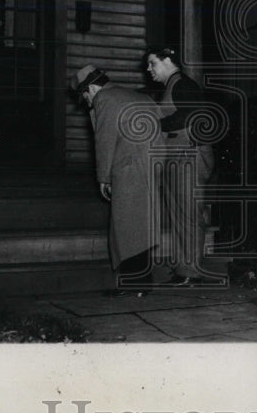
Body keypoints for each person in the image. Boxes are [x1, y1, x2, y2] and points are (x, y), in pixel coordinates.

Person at [73, 64, 160, 293]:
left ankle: (134, 286)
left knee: (126, 229)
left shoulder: (104, 98)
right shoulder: (136, 95)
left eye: (85, 97)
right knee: (140, 227)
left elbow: (105, 141)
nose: (87, 103)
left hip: (128, 169)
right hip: (151, 167)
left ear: (90, 88)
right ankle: (141, 283)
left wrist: (104, 177)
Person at [145, 45, 217, 287]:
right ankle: (183, 269)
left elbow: (189, 116)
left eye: (152, 63)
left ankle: (190, 272)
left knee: (188, 215)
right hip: (179, 157)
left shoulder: (184, 85)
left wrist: (154, 123)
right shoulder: (174, 86)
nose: (149, 69)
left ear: (167, 61)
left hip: (188, 158)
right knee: (179, 215)